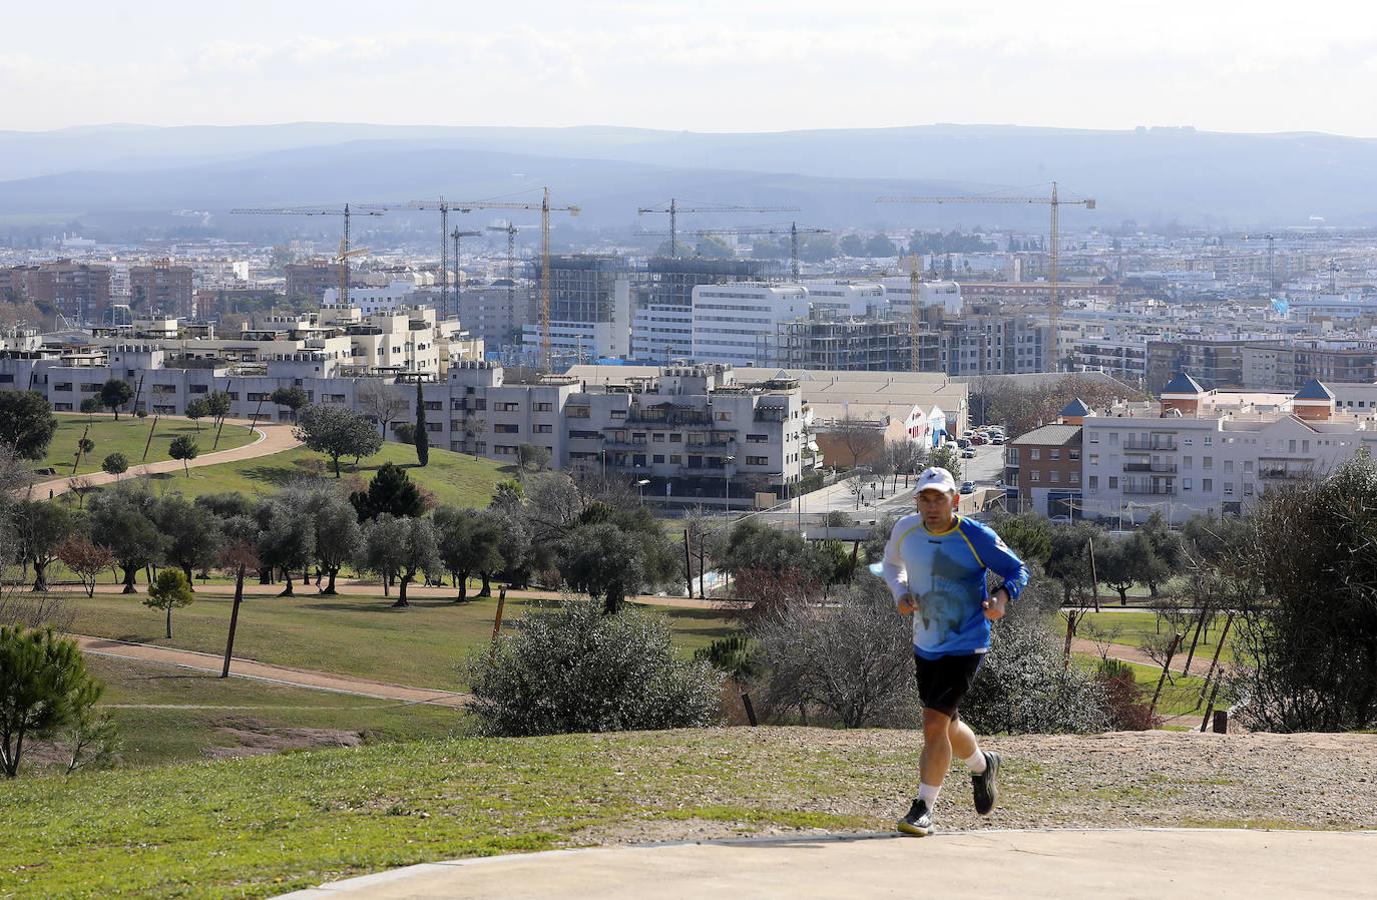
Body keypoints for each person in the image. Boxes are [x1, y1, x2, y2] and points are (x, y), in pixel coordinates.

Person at [881, 466, 1029, 836]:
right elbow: (891, 564)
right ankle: (982, 765)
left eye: (939, 499)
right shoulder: (905, 530)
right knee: (946, 724)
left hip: (967, 640)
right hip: (925, 641)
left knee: (932, 723)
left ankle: (923, 809)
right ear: (916, 501)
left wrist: (1001, 597)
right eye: (924, 499)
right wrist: (900, 594)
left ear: (955, 500)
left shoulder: (975, 536)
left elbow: (1017, 571)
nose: (931, 507)